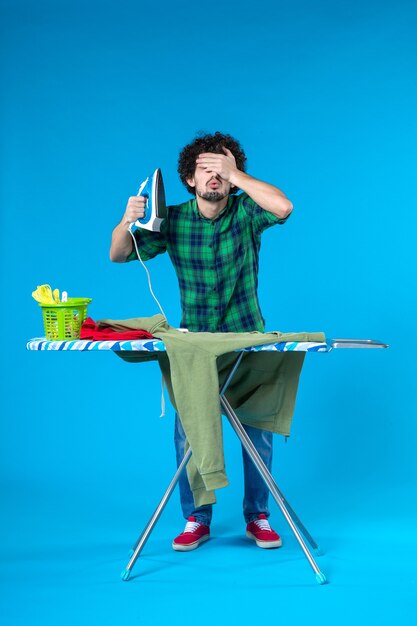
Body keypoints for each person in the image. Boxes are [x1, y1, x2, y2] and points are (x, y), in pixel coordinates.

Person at [110, 131, 293, 552]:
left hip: (248, 340)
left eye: (222, 170)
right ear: (190, 180)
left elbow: (283, 207)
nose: (214, 176)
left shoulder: (248, 211)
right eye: (205, 170)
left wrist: (238, 175)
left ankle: (258, 517)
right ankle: (197, 518)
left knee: (257, 428)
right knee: (188, 431)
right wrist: (125, 220)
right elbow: (119, 255)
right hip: (195, 347)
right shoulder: (173, 220)